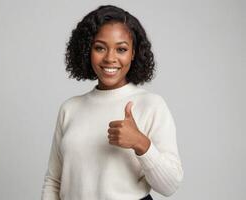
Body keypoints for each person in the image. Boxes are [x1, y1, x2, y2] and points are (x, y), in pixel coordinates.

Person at [41, 5, 183, 200]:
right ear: (87, 50)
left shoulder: (151, 105)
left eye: (121, 49)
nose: (110, 58)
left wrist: (141, 143)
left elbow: (170, 185)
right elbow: (54, 181)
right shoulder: (70, 108)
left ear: (133, 53)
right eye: (100, 47)